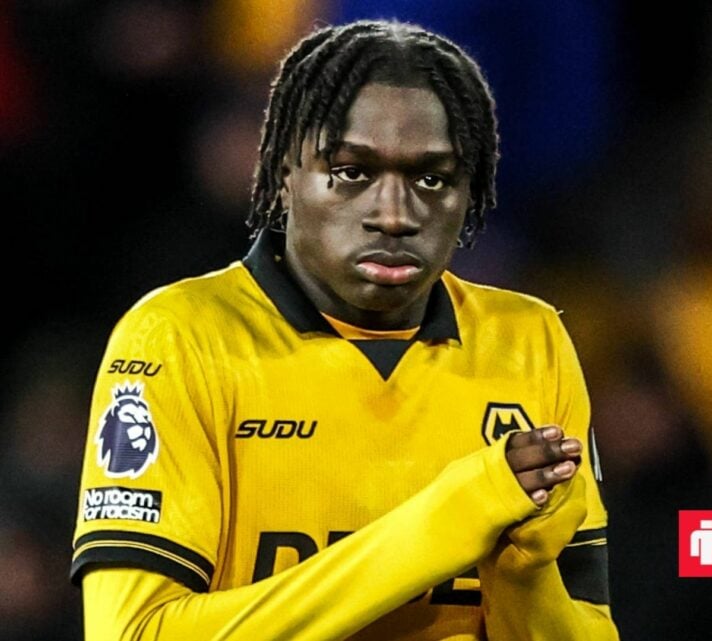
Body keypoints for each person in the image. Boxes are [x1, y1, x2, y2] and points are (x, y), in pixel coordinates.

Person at [70, 19, 618, 640]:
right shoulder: (178, 338)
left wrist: (524, 577)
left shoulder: (530, 340)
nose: (394, 215)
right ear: (284, 173)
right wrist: (451, 517)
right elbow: (133, 634)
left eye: (432, 178)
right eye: (353, 171)